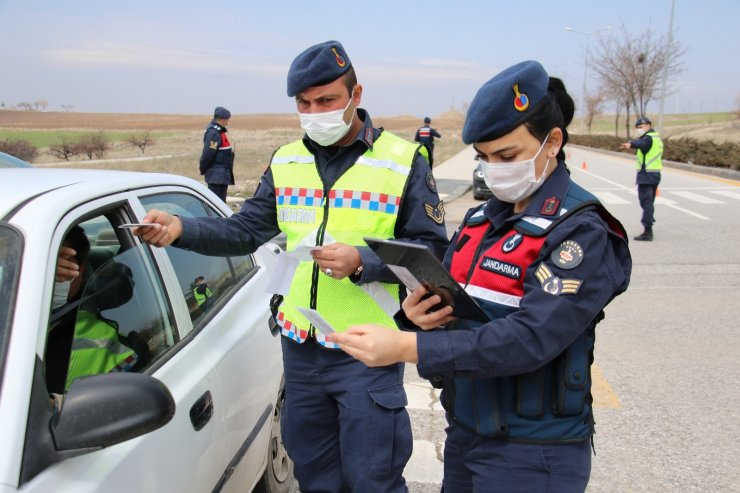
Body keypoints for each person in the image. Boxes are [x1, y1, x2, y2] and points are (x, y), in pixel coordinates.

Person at [134, 40, 448, 493]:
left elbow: (431, 252)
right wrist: (181, 228)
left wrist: (365, 261)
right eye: (304, 103)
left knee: (372, 478)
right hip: (301, 349)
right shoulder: (287, 160)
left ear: (356, 94)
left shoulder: (402, 162)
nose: (314, 111)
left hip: (367, 349)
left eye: (327, 101)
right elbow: (244, 231)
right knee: (315, 476)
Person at [327, 60, 632, 492]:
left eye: (507, 156)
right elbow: (462, 309)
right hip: (467, 431)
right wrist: (418, 316)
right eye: (484, 158)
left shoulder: (579, 230)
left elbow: (530, 339)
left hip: (533, 452)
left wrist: (406, 346)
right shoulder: (480, 221)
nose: (494, 169)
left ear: (553, 142)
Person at [620, 116, 663, 241]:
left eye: (641, 126)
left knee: (646, 202)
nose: (639, 129)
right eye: (637, 127)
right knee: (648, 202)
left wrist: (631, 144)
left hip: (647, 175)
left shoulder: (648, 139)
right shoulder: (656, 138)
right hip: (654, 174)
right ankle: (649, 216)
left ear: (648, 125)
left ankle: (647, 231)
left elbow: (641, 143)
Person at [200, 106, 235, 202]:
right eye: (227, 120)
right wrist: (203, 169)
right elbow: (208, 154)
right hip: (217, 177)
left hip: (220, 176)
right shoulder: (214, 133)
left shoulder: (218, 131)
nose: (228, 123)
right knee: (217, 204)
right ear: (223, 120)